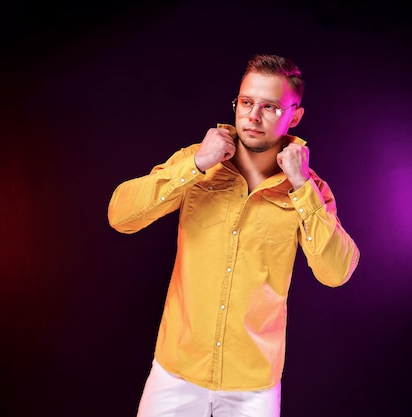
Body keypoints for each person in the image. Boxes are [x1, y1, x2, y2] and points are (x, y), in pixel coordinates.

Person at [107, 53, 360, 417]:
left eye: (270, 106)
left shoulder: (310, 190)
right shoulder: (197, 163)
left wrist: (302, 185)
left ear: (295, 115)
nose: (253, 116)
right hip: (176, 373)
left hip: (253, 388)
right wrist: (195, 165)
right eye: (246, 102)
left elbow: (335, 273)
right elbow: (120, 216)